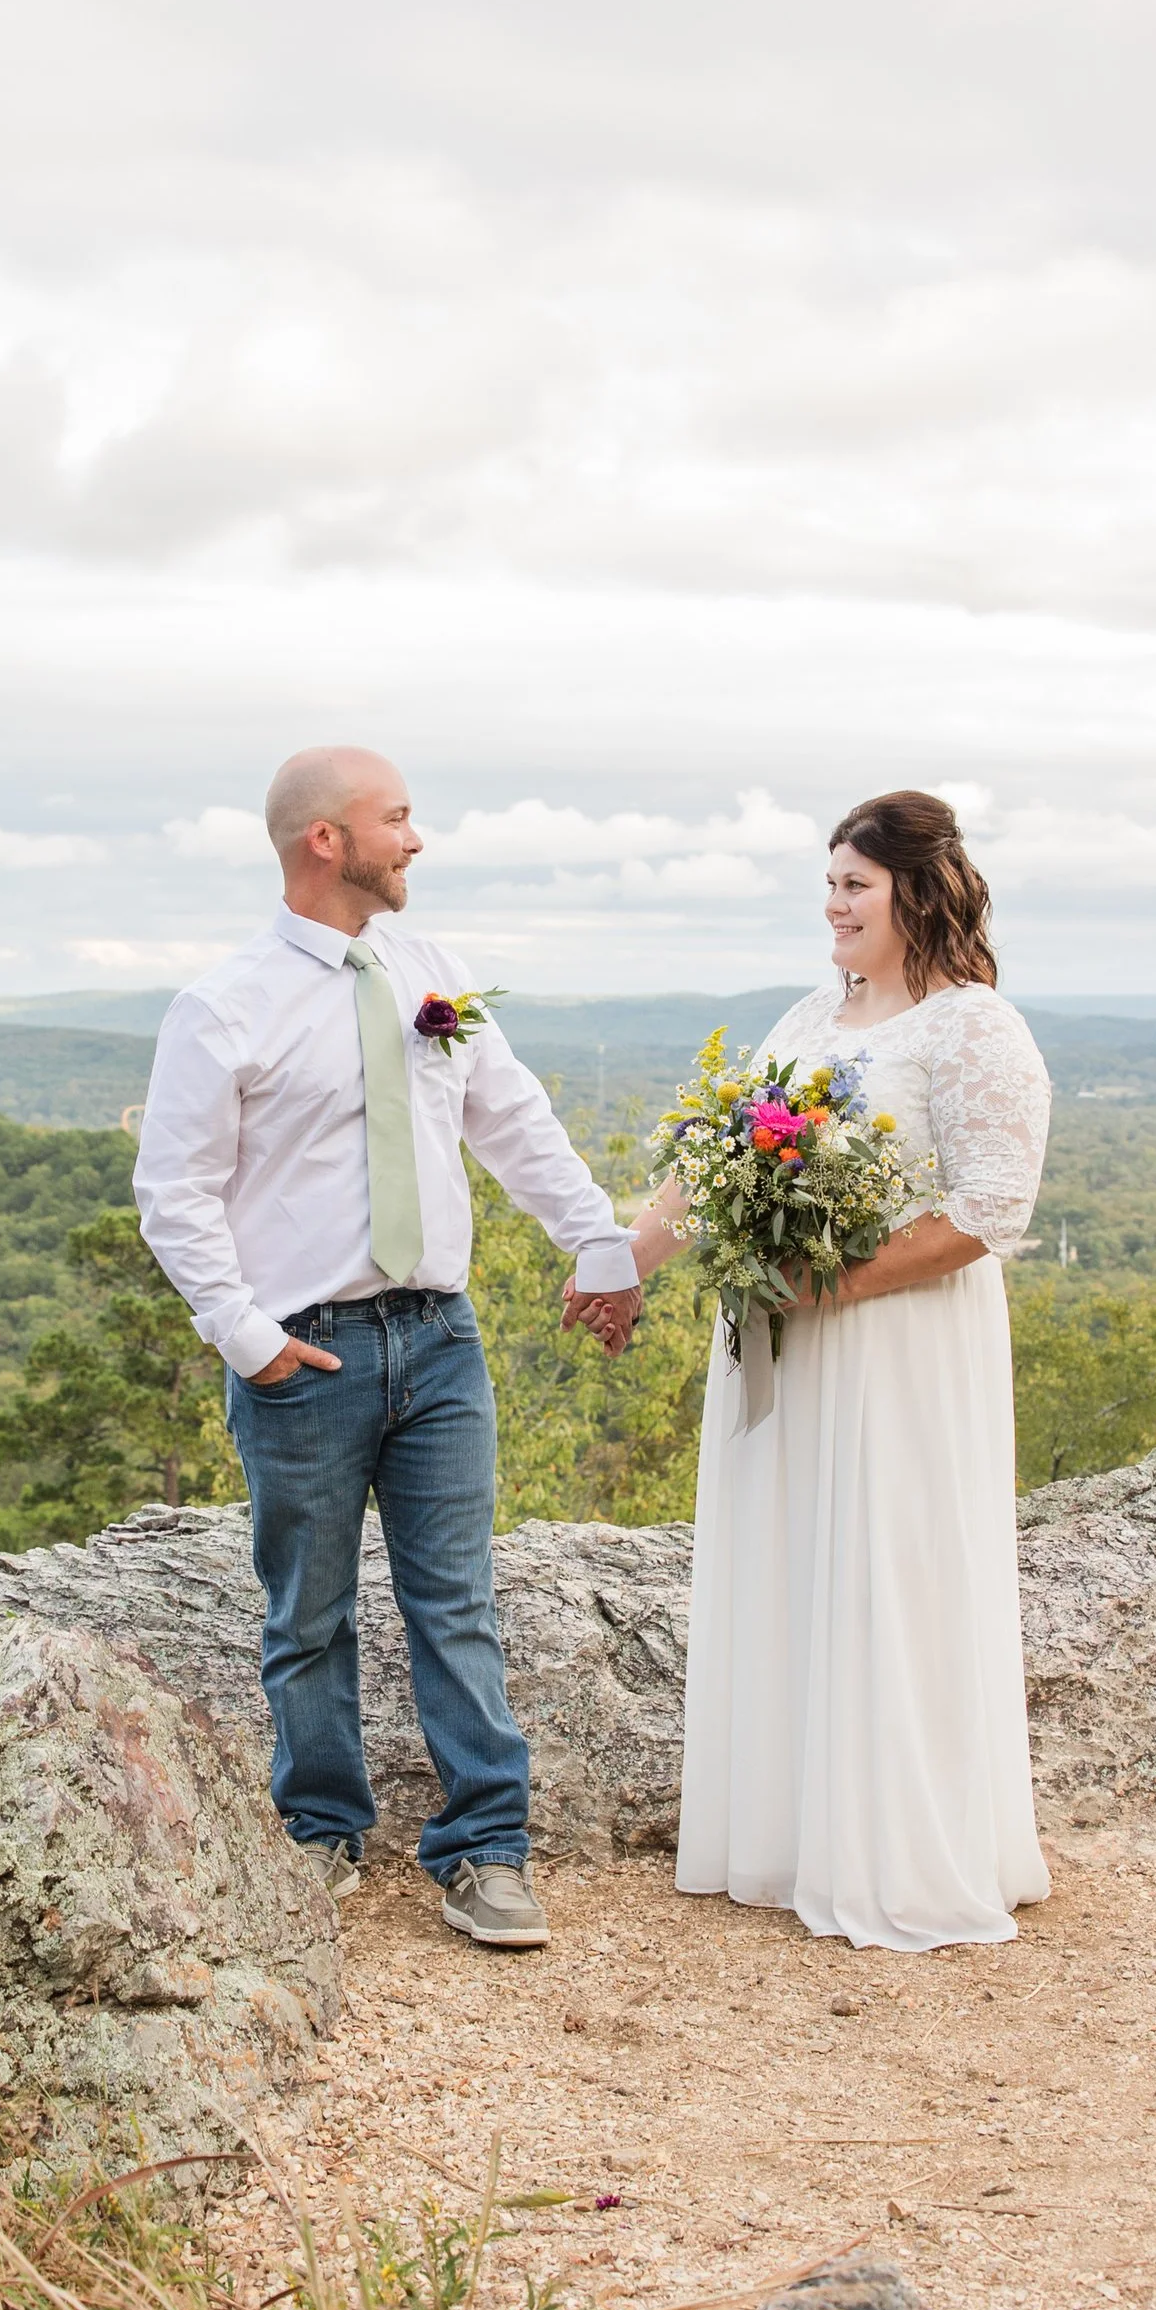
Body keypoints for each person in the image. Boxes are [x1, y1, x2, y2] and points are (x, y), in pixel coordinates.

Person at [133, 745, 643, 1951]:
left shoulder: (433, 973)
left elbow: (509, 1119)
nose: (415, 841)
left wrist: (599, 1241)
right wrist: (247, 1337)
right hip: (301, 1359)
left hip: (439, 1343)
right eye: (398, 819)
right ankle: (318, 1832)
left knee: (456, 1603)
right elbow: (175, 1190)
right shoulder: (225, 1005)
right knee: (304, 1613)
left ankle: (486, 1849)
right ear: (327, 840)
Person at [591, 789, 1052, 1952]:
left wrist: (832, 1285)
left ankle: (903, 1845)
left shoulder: (971, 1026)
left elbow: (991, 1210)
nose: (834, 909)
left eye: (853, 886)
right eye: (828, 888)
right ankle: (791, 1833)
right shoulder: (809, 1013)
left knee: (890, 1565)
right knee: (792, 1556)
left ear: (915, 889)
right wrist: (627, 1259)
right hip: (782, 1336)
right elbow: (713, 1157)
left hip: (899, 1339)